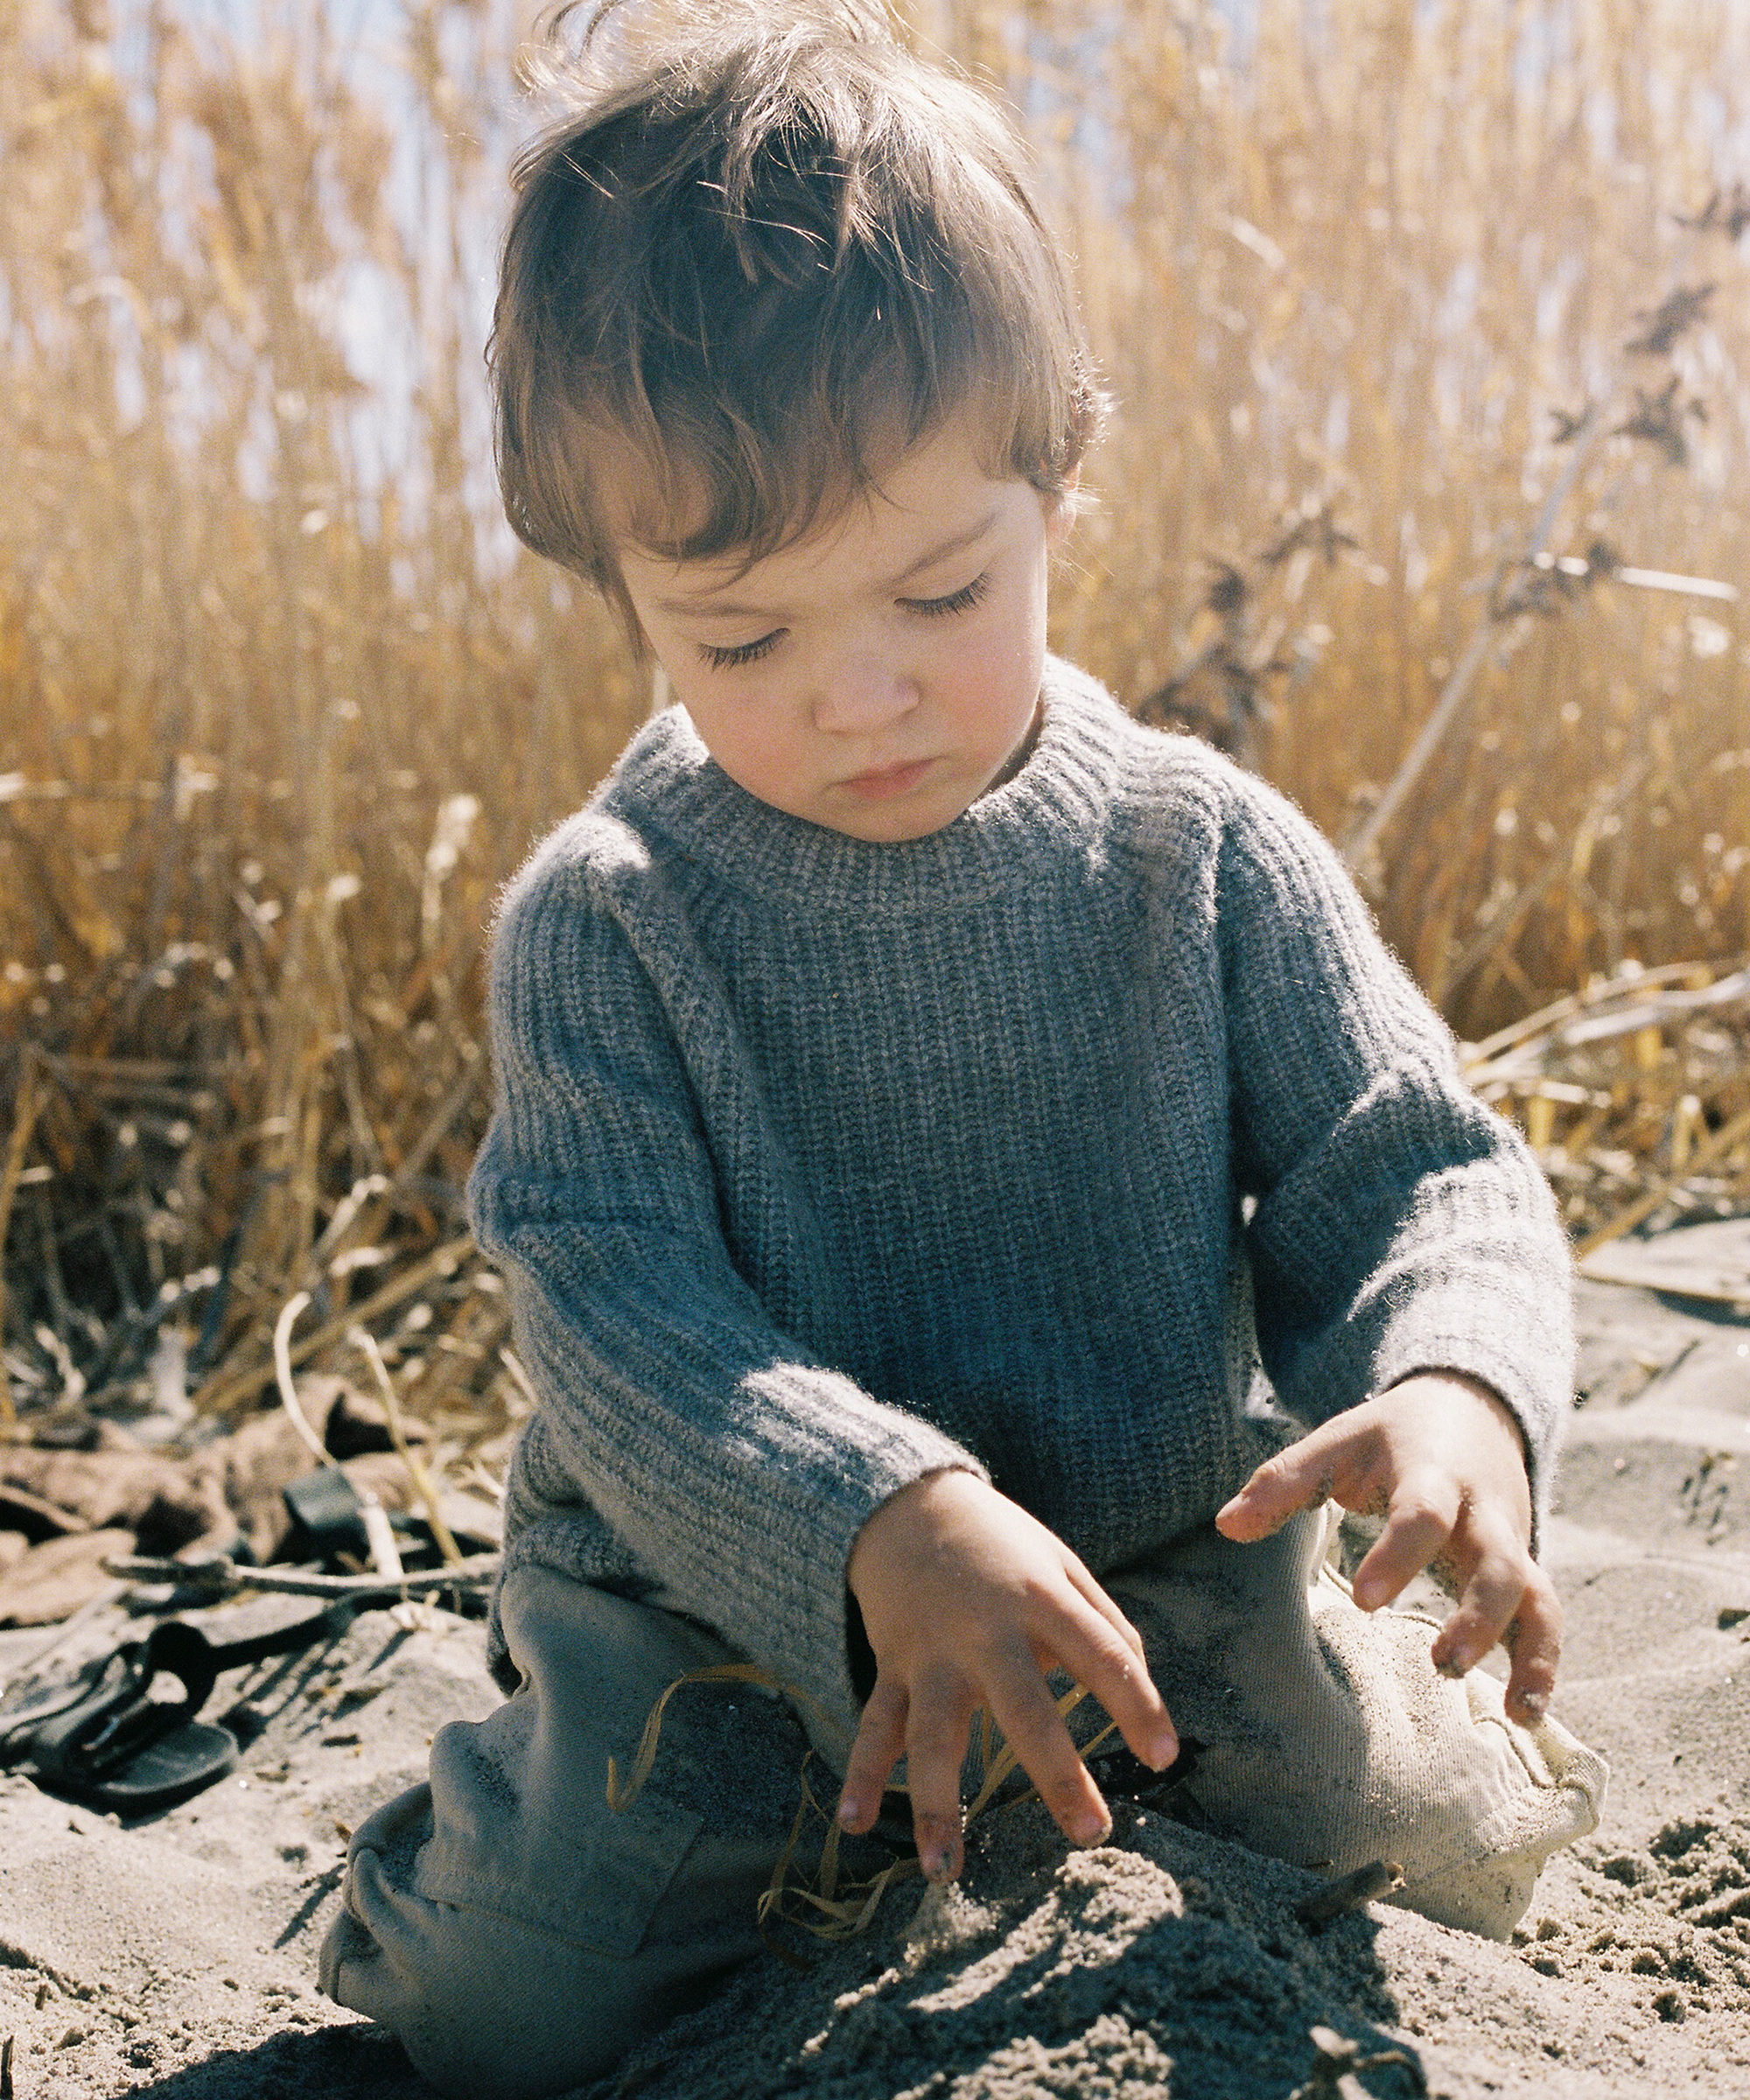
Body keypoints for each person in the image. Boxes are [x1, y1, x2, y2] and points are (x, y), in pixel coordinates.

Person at [320, 8, 1604, 2094]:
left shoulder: (1188, 850)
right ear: (615, 584)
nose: (862, 696)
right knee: (521, 2005)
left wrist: (1449, 1387)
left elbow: (1417, 1165)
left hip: (1156, 1568)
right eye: (743, 636)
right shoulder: (611, 913)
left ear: (1057, 483)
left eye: (938, 588)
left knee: (1429, 1850)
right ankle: (422, 1854)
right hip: (730, 1621)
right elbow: (611, 1303)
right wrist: (873, 1512)